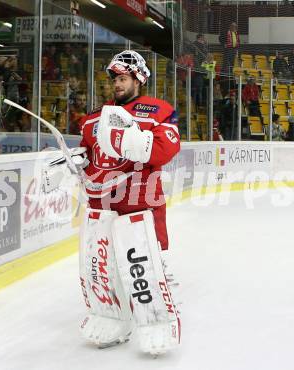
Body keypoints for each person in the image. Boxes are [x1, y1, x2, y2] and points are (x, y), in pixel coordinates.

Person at [68, 50, 181, 354]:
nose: (117, 85)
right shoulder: (94, 117)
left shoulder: (157, 111)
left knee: (142, 267)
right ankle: (112, 317)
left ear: (138, 79)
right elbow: (87, 153)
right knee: (100, 267)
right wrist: (71, 162)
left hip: (140, 203)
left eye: (123, 78)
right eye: (115, 79)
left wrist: (138, 144)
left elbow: (167, 148)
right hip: (102, 205)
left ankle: (156, 321)